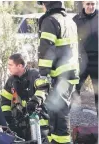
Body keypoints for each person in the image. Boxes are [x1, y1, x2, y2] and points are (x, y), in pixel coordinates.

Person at [27, 1, 79, 144]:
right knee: (55, 114)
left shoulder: (50, 21)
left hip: (59, 75)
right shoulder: (70, 21)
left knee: (59, 116)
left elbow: (46, 50)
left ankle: (63, 141)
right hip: (70, 74)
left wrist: (43, 75)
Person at [0, 53, 49, 141]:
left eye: (11, 65)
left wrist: (35, 101)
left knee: (40, 138)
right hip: (23, 116)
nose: (8, 67)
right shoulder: (11, 80)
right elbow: (5, 99)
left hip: (40, 115)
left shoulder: (34, 74)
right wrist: (7, 116)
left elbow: (43, 88)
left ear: (20, 66)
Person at [73, 1, 98, 114]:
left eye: (93, 4)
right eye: (88, 4)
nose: (90, 6)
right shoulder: (76, 20)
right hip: (81, 60)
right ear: (83, 4)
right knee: (73, 89)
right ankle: (69, 120)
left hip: (97, 61)